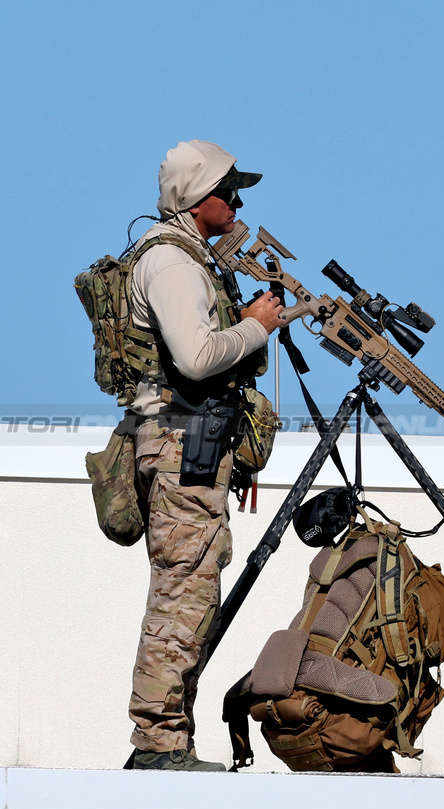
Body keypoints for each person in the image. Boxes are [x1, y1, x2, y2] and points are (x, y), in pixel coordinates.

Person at [123, 140, 289, 771]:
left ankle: (168, 741)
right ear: (198, 200)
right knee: (181, 595)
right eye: (228, 190)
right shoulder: (171, 264)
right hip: (180, 445)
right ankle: (158, 745)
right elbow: (194, 358)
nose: (238, 201)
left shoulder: (187, 259)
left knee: (192, 591)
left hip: (193, 443)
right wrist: (257, 325)